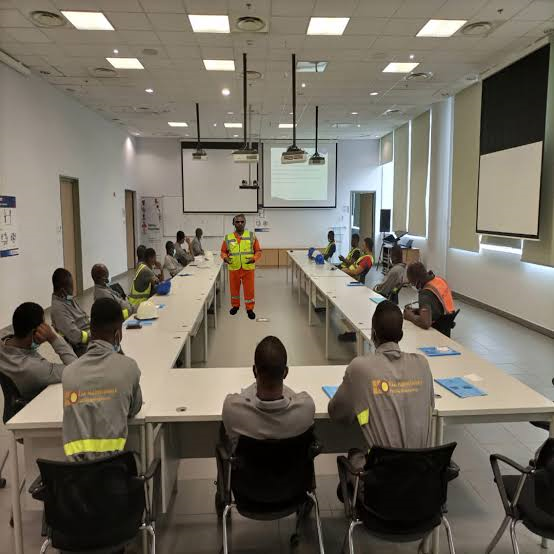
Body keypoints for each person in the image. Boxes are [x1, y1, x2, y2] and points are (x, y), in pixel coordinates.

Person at [329, 301, 434, 489]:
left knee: (355, 453)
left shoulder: (360, 368)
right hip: (419, 483)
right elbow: (429, 406)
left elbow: (337, 414)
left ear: (373, 333)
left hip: (380, 487)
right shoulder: (422, 364)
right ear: (401, 335)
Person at [216, 336, 315, 512]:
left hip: (248, 494)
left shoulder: (232, 409)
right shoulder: (306, 409)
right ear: (285, 372)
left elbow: (240, 400)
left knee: (222, 433)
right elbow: (294, 396)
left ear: (254, 371)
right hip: (293, 491)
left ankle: (223, 494)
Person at [62, 298, 143, 461]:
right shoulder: (129, 367)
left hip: (75, 473)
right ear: (118, 334)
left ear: (91, 330)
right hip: (114, 470)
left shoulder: (68, 373)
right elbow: (134, 409)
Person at [0, 302, 76, 401]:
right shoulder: (35, 368)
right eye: (44, 325)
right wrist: (53, 338)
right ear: (34, 332)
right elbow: (76, 370)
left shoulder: (4, 340)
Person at [220, 214, 262, 320]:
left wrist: (254, 258)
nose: (240, 223)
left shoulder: (251, 236)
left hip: (248, 268)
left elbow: (258, 251)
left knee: (249, 290)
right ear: (233, 223)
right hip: (234, 267)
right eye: (237, 222)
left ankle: (250, 309)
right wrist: (225, 258)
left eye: (242, 222)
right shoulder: (228, 237)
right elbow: (223, 251)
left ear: (245, 223)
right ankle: (235, 306)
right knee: (234, 290)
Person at [404, 261, 456, 334]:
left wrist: (410, 316)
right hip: (446, 323)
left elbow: (425, 323)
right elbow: (437, 305)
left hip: (437, 330)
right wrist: (419, 310)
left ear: (418, 281)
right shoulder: (439, 280)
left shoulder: (425, 294)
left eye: (412, 283)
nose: (412, 285)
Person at [50, 268, 90, 356]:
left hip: (89, 333)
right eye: (71, 288)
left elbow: (82, 315)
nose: (73, 291)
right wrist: (94, 336)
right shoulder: (58, 309)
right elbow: (75, 336)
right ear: (63, 290)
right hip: (82, 346)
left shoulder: (66, 298)